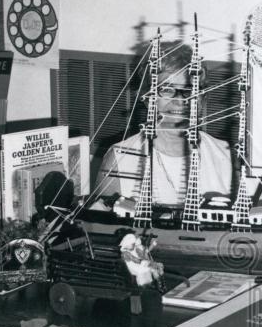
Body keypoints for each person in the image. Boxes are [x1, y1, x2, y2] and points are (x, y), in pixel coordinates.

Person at [93, 41, 232, 213]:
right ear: (148, 96)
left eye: (189, 91)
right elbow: (100, 230)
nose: (180, 101)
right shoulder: (119, 158)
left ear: (202, 98)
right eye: (166, 89)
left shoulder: (226, 155)